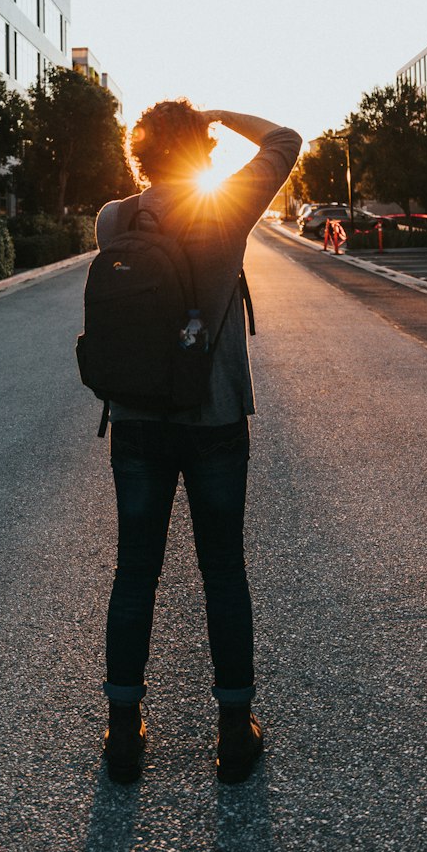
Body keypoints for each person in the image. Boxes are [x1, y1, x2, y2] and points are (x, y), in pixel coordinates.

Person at [95, 100, 301, 784]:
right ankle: (233, 732)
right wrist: (222, 115)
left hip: (135, 421)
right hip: (213, 421)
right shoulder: (226, 209)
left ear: (140, 153)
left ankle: (124, 732)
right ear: (202, 152)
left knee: (135, 572)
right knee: (222, 570)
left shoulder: (114, 219)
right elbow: (285, 139)